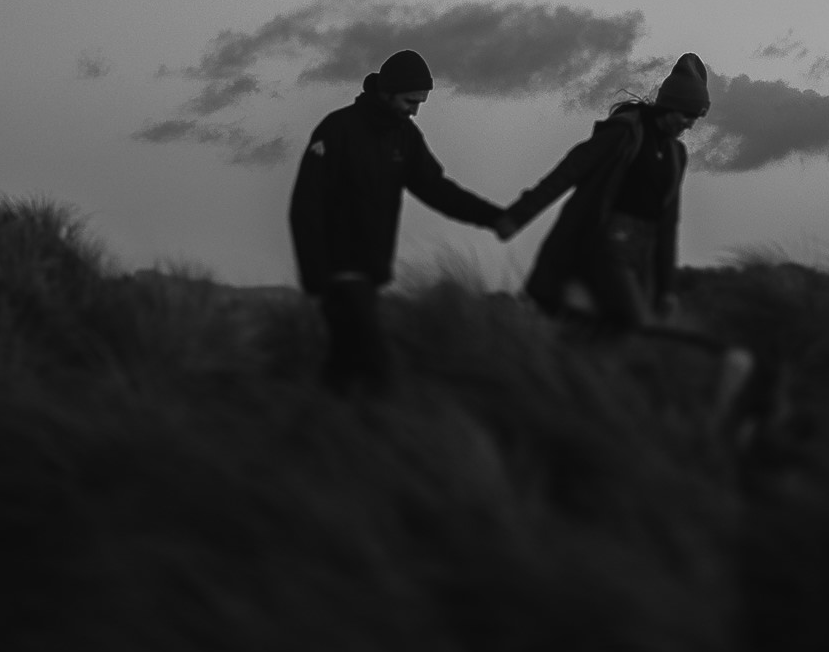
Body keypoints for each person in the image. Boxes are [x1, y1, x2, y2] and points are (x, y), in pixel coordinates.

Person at [288, 49, 508, 394]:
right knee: (378, 372)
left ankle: (314, 434)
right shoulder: (337, 130)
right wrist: (316, 277)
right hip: (338, 275)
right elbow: (305, 206)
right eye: (409, 100)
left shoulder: (404, 137)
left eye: (420, 102)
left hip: (371, 275)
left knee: (343, 374)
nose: (415, 110)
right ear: (387, 92)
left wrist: (494, 217)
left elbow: (436, 189)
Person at [502, 53, 711, 336]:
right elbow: (568, 172)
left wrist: (667, 288)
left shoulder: (676, 155)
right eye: (687, 115)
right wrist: (517, 216)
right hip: (606, 245)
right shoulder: (625, 132)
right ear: (669, 106)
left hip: (643, 255)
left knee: (609, 334)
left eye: (695, 118)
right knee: (642, 327)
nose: (689, 124)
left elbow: (668, 224)